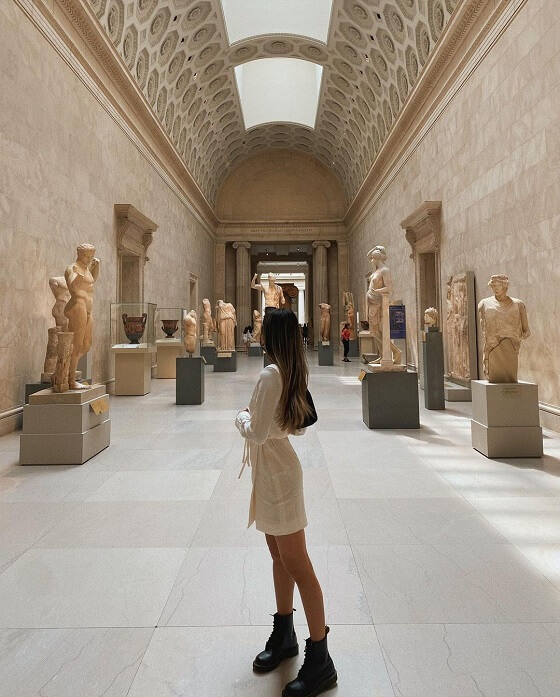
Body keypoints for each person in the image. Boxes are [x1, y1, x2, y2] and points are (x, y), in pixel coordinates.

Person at [235, 309, 337, 697]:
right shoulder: (289, 369)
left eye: (263, 327)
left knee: (298, 564)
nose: (257, 331)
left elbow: (257, 433)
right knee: (279, 557)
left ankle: (321, 658)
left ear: (271, 335)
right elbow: (285, 423)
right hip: (276, 471)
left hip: (277, 476)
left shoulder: (269, 374)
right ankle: (284, 634)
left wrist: (240, 417)